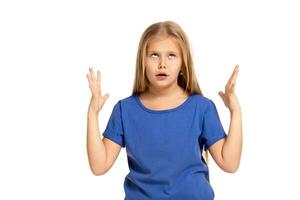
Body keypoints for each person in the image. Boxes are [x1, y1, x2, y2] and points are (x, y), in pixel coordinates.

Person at [86, 21, 242, 200]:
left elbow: (229, 163)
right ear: (142, 61)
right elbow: (99, 166)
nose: (162, 64)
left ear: (183, 63)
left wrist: (235, 111)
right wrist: (92, 114)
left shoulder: (202, 107)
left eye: (171, 56)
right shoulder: (125, 110)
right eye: (154, 55)